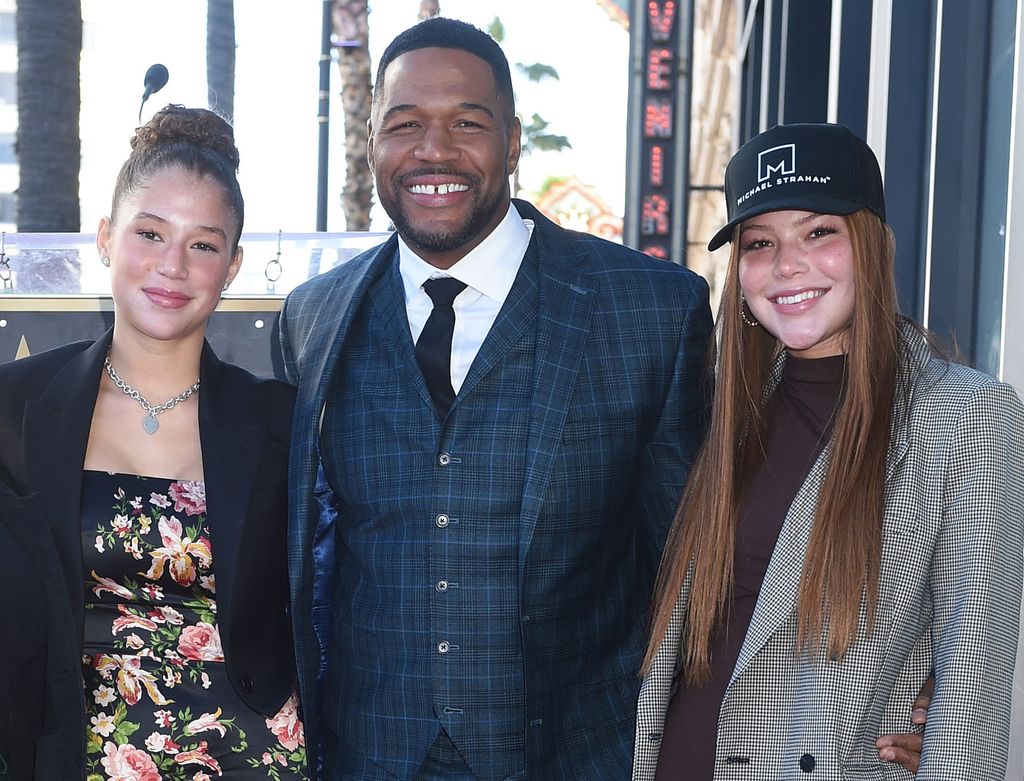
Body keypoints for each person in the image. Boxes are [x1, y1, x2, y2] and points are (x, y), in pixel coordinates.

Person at [279, 16, 713, 780]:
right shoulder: (312, 317)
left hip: (575, 753)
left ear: (513, 142)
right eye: (404, 124)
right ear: (373, 142)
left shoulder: (648, 310)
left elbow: (697, 563)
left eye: (466, 123)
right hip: (364, 752)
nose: (433, 151)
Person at [634, 122, 1024, 780]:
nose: (787, 264)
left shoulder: (967, 416)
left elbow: (972, 687)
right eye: (760, 243)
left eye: (819, 232)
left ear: (869, 243)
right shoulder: (730, 412)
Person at [0, 106, 306, 779]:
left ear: (231, 266)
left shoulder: (282, 422)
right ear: (107, 237)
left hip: (252, 752)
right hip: (70, 750)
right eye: (150, 233)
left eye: (203, 243)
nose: (173, 266)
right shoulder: (15, 408)